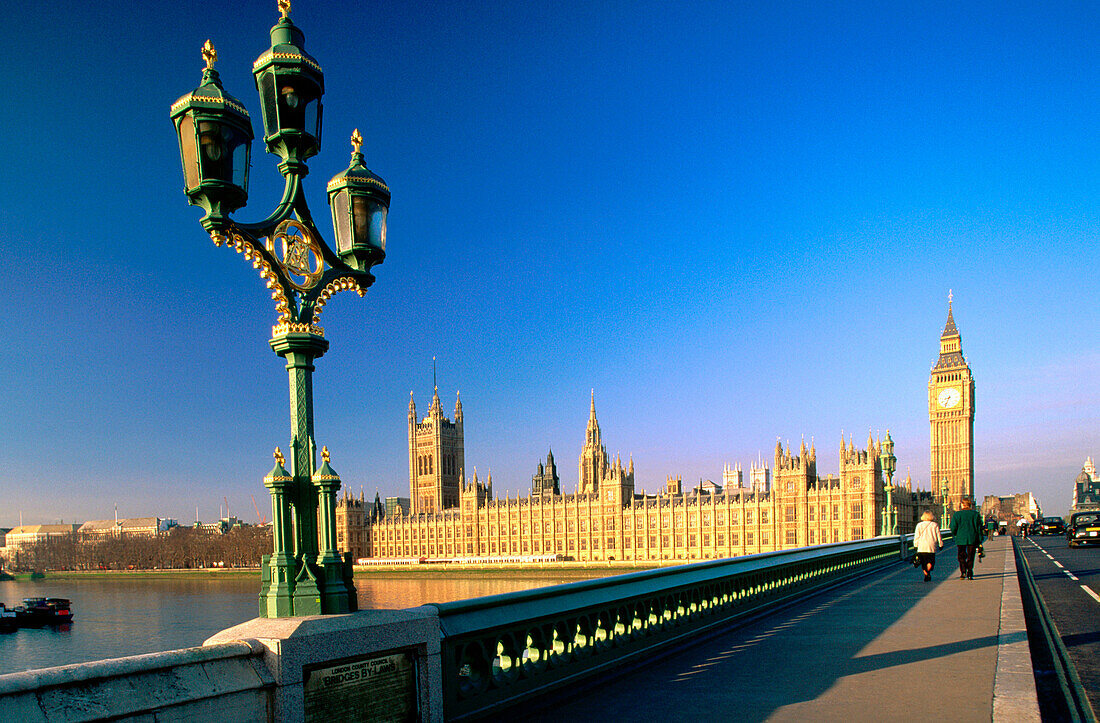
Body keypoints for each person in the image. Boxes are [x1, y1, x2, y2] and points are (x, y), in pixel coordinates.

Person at [950, 497, 985, 580]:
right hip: (972, 538)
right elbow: (979, 528)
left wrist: (956, 534)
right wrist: (980, 539)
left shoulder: (957, 514)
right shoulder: (975, 514)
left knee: (961, 556)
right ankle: (970, 571)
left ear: (962, 504)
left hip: (961, 538)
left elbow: (953, 527)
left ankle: (963, 572)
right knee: (971, 556)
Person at [913, 510, 943, 582]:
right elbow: (938, 535)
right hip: (931, 545)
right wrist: (940, 544)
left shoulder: (919, 525)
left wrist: (915, 545)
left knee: (923, 561)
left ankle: (926, 574)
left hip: (922, 546)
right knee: (930, 561)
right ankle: (928, 571)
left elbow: (916, 536)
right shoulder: (935, 525)